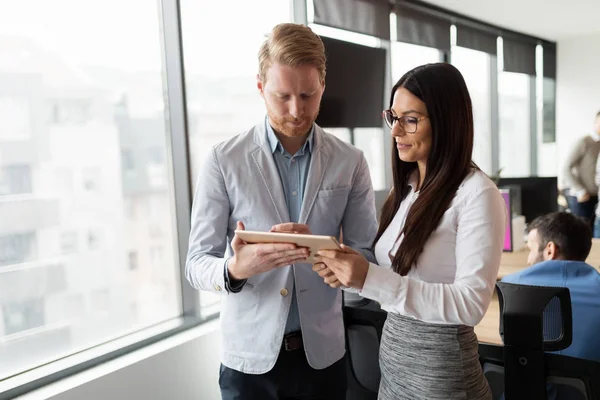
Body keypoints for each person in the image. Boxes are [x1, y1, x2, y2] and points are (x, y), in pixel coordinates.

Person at [185, 23, 378, 400]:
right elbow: (196, 263)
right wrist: (235, 269)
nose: (296, 110)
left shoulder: (350, 161)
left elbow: (367, 254)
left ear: (323, 85)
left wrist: (339, 266)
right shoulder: (224, 160)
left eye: (308, 95)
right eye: (282, 96)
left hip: (323, 357)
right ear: (260, 87)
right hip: (249, 364)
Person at [314, 63, 506, 399]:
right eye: (394, 117)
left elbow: (472, 304)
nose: (395, 131)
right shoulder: (407, 189)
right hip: (394, 364)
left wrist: (368, 278)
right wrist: (349, 267)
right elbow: (395, 278)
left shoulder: (477, 193)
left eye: (411, 120)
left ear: (446, 122)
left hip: (441, 373)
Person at [502, 212, 600, 362]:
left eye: (531, 250)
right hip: (589, 383)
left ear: (550, 250)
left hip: (528, 382)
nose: (529, 260)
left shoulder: (511, 285)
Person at [562, 111, 600, 229]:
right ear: (595, 123)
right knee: (580, 232)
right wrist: (580, 190)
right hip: (581, 197)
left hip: (596, 196)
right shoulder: (584, 142)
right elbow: (566, 168)